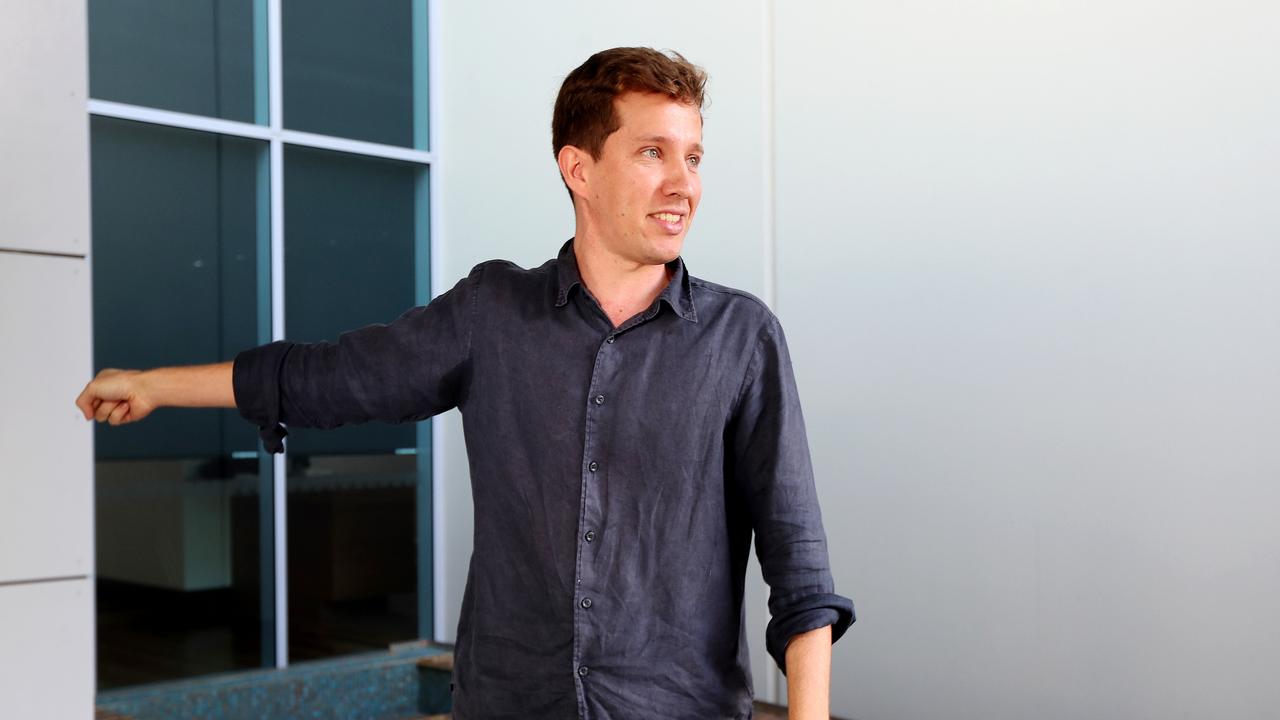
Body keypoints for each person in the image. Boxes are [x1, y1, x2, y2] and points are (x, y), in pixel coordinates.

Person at [76, 47, 854, 720]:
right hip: (509, 701)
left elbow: (798, 559)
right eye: (653, 152)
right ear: (578, 168)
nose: (682, 182)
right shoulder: (492, 314)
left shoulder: (741, 337)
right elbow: (333, 378)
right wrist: (154, 385)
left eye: (693, 156)